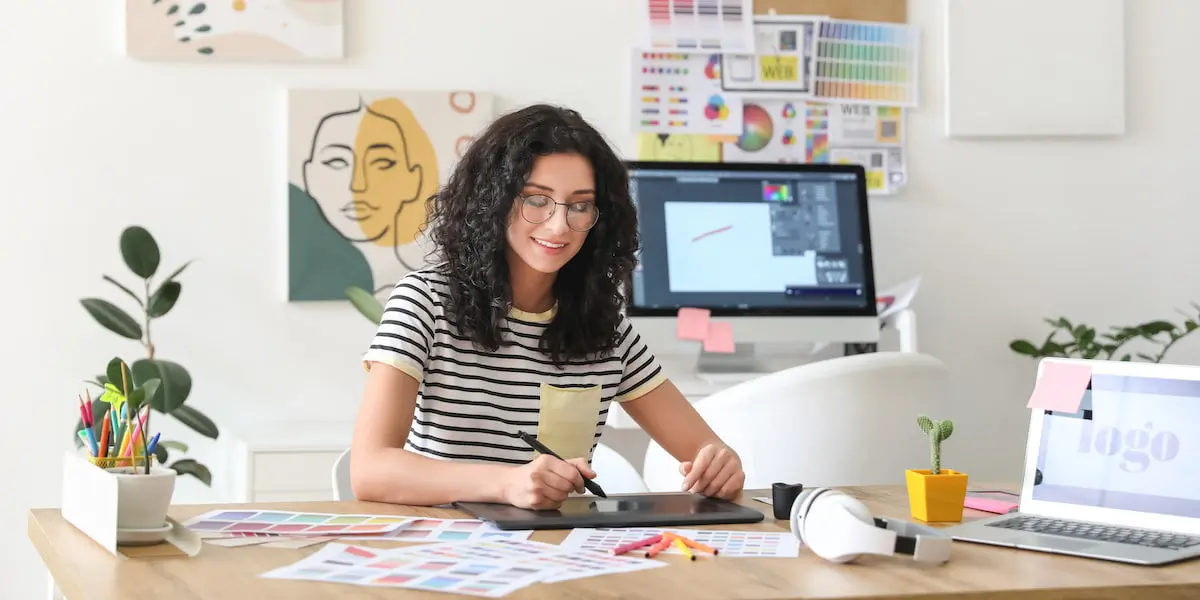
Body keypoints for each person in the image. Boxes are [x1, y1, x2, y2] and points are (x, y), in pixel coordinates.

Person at [351, 104, 745, 509]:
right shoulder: (424, 302)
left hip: (559, 552)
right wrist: (506, 484)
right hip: (447, 548)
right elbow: (370, 471)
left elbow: (705, 452)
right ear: (494, 202)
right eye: (536, 200)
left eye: (579, 206)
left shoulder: (608, 330)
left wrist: (722, 466)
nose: (559, 225)